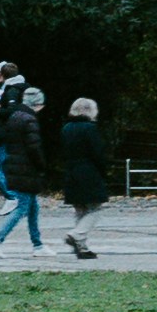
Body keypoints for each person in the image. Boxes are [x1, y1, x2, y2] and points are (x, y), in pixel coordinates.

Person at [0, 65, 44, 253]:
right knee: (22, 208)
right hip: (25, 169)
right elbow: (33, 147)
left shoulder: (16, 112)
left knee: (33, 207)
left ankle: (38, 245)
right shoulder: (28, 118)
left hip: (20, 167)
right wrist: (41, 166)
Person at [53, 89, 107, 262]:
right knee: (95, 208)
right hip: (88, 171)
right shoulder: (90, 129)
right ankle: (77, 235)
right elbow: (98, 153)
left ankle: (82, 247)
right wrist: (104, 170)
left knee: (80, 209)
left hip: (71, 170)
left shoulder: (66, 128)